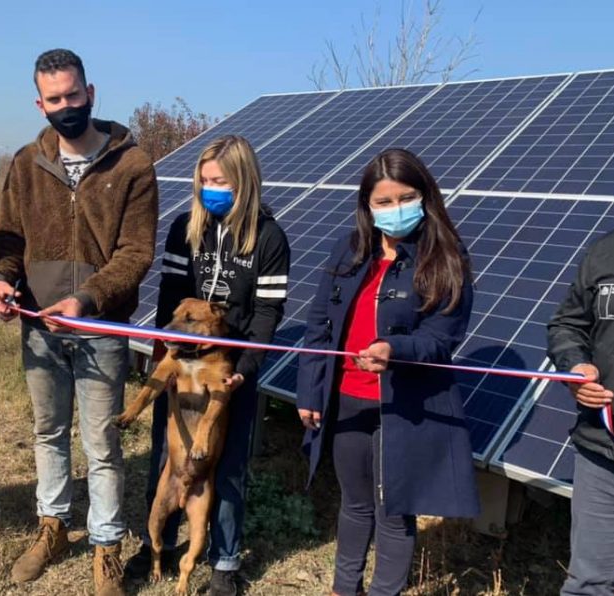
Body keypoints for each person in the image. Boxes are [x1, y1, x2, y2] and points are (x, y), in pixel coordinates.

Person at [0, 48, 158, 596]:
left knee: (102, 442)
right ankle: (54, 526)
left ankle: (106, 545)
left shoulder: (132, 164)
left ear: (91, 93)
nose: (66, 106)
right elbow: (9, 238)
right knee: (47, 432)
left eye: (73, 95)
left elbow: (136, 252)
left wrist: (88, 299)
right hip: (38, 326)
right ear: (40, 103)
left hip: (101, 328)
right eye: (54, 99)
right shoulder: (25, 164)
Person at [296, 148, 480, 596]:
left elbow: (442, 338)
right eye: (384, 201)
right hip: (348, 401)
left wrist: (393, 349)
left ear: (425, 196)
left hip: (404, 406)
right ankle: (344, 588)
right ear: (367, 206)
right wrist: (310, 392)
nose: (396, 209)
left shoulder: (445, 259)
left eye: (406, 197)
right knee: (355, 504)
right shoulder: (349, 250)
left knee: (394, 512)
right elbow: (319, 326)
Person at [123, 135, 290, 596]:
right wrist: (162, 352)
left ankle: (225, 561)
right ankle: (155, 543)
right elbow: (170, 298)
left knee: (228, 463)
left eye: (221, 180)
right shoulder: (185, 229)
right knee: (166, 453)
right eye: (205, 179)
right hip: (180, 366)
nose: (210, 187)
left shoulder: (269, 237)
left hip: (228, 370)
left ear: (244, 181)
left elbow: (266, 313)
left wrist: (247, 367)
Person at [548, 228, 614, 595]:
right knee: (588, 585)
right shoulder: (608, 251)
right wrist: (574, 366)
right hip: (603, 451)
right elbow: (568, 325)